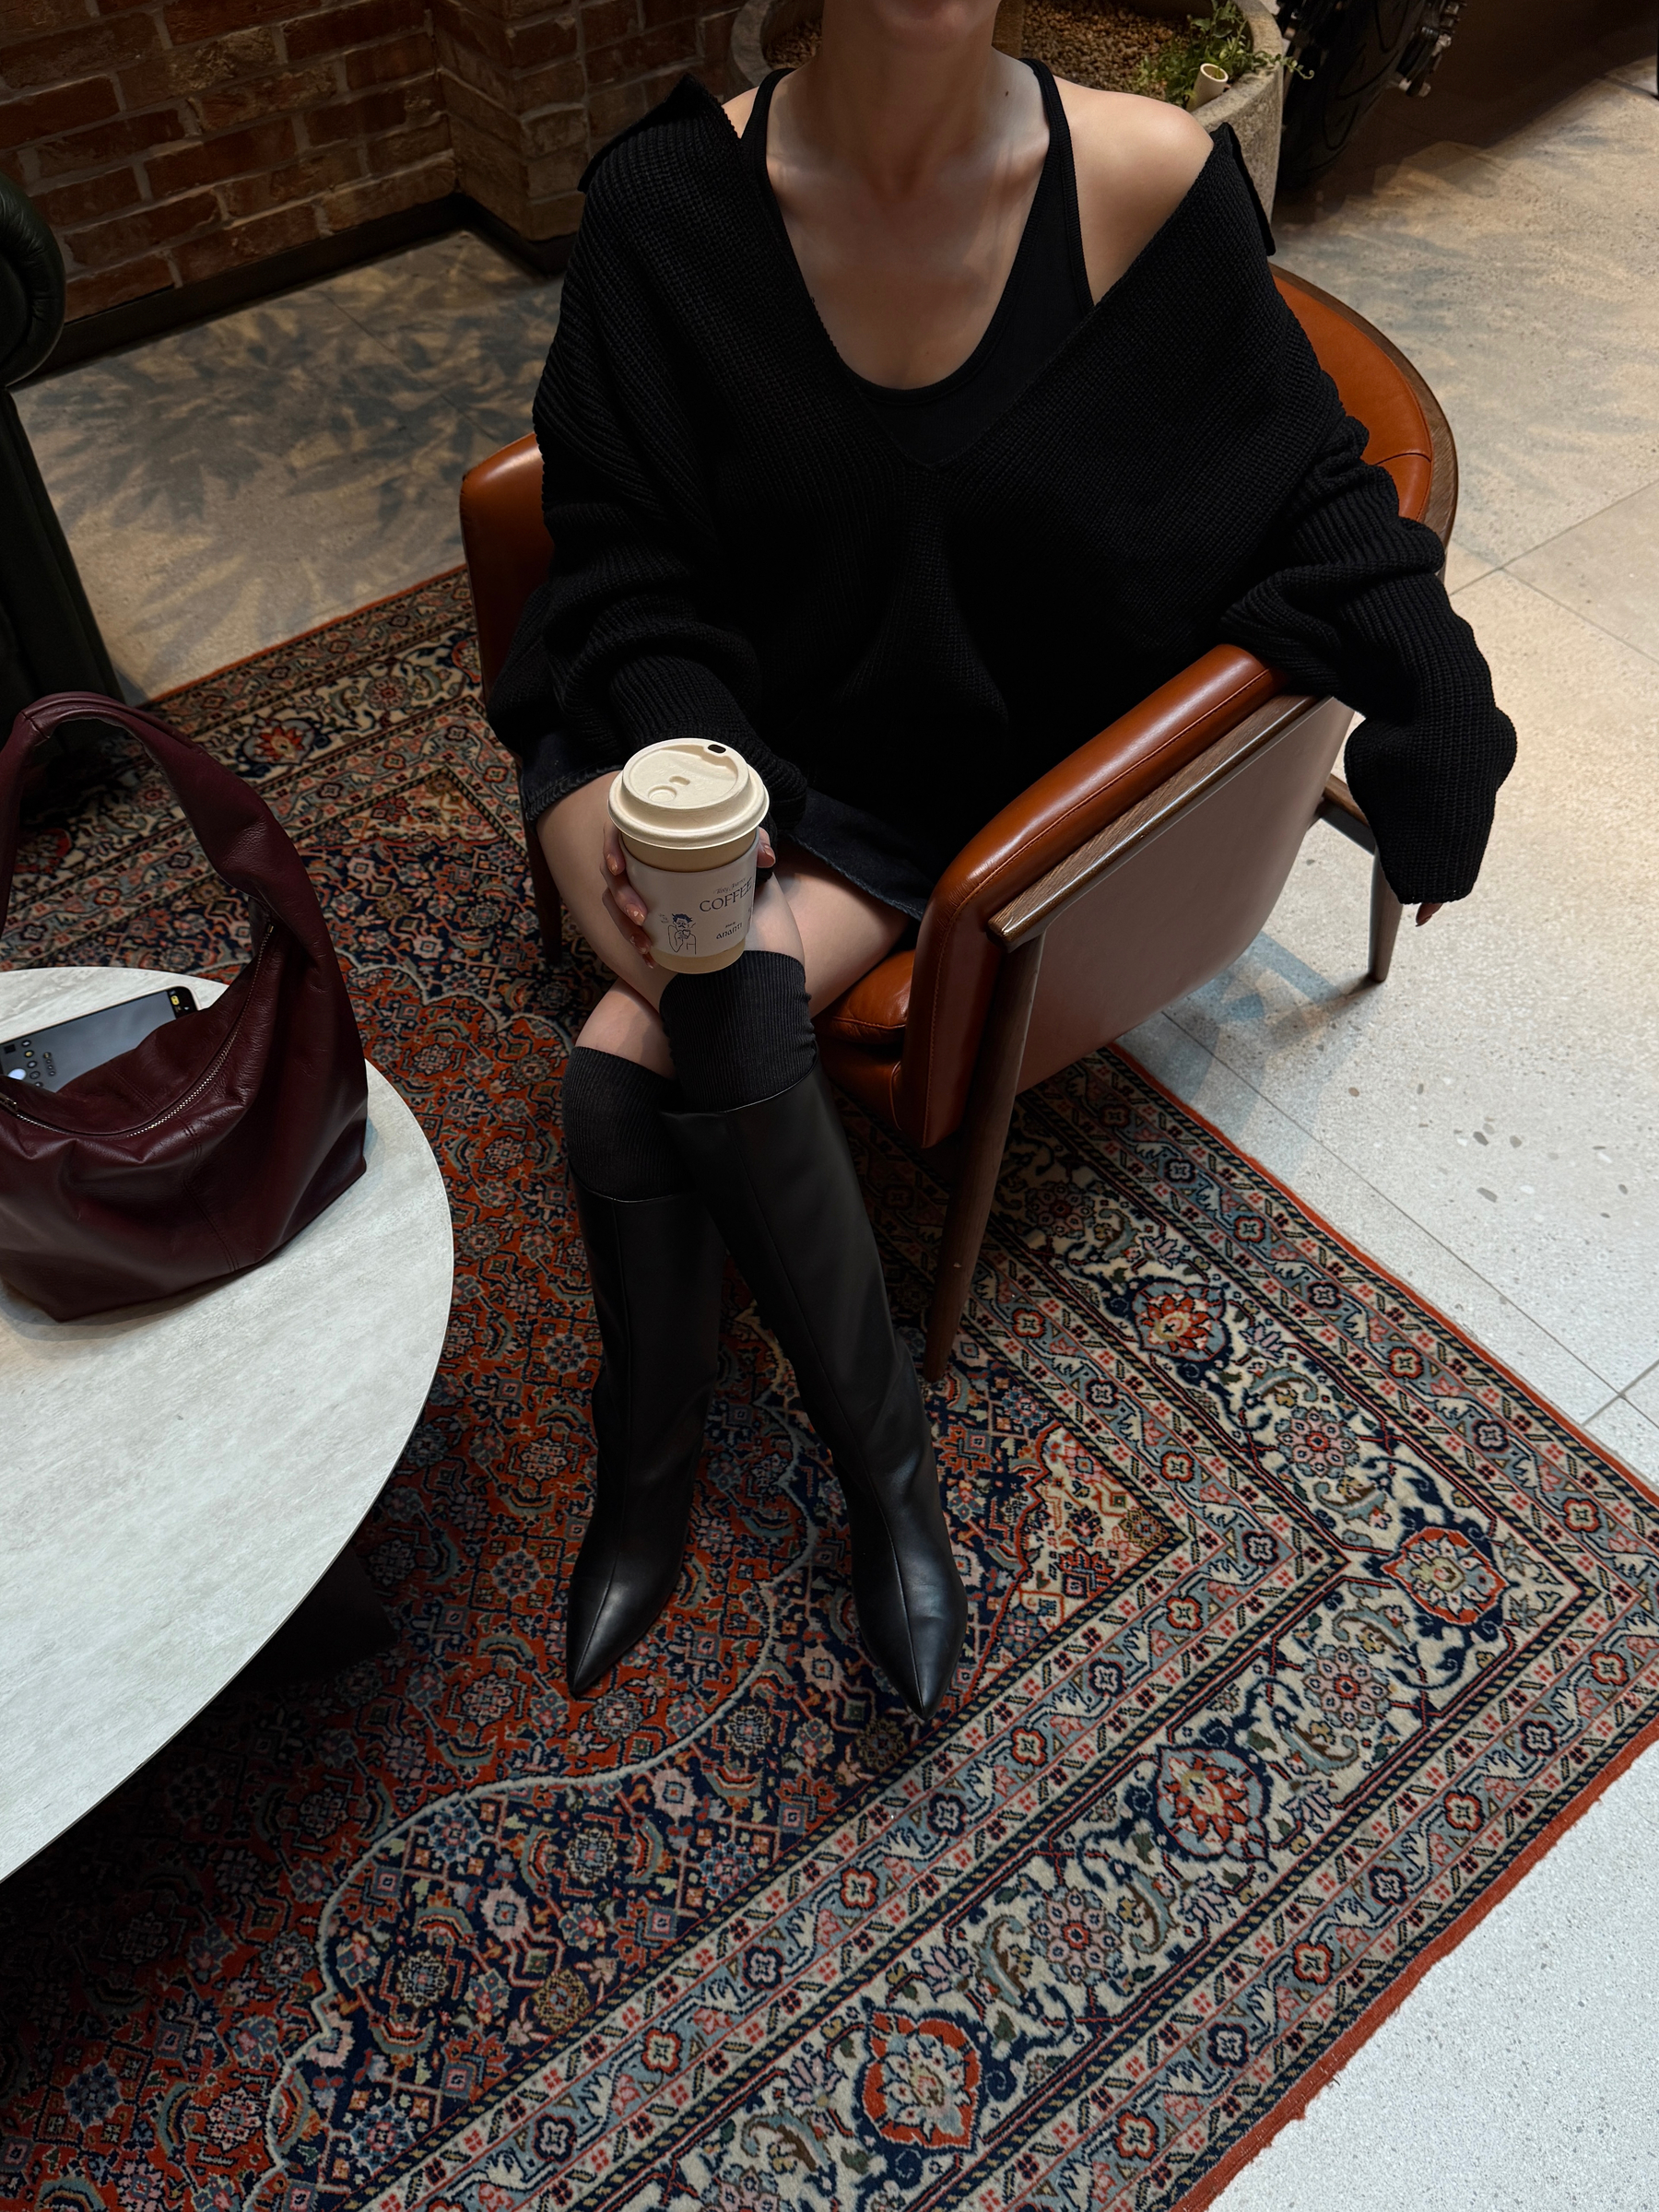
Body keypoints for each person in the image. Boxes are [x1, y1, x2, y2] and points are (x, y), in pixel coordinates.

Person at [488, 0, 1516, 1720]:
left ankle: (873, 1483)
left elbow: (1307, 487)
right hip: (718, 728)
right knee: (658, 1042)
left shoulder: (1145, 180)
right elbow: (620, 555)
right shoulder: (669, 211)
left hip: (967, 766)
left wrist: (1436, 692)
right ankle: (669, 1463)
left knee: (639, 1061)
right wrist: (685, 772)